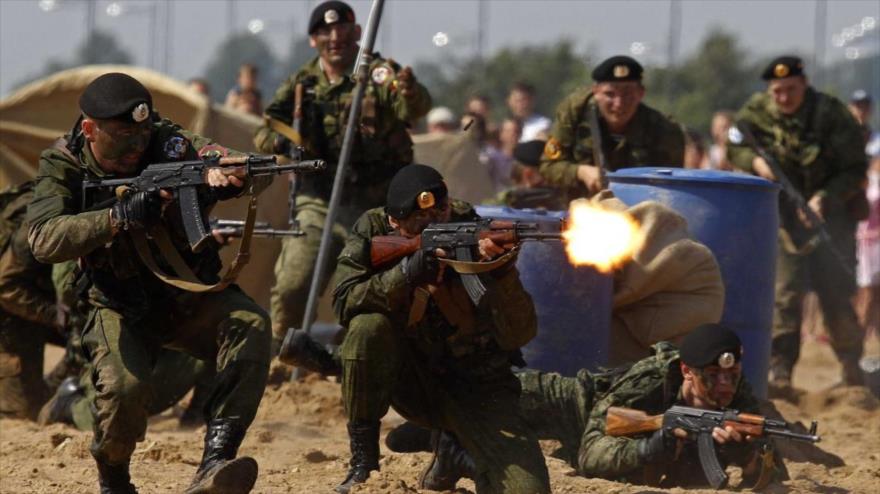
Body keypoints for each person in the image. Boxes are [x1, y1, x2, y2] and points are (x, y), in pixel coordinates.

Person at [26, 72, 271, 494]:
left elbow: (237, 163)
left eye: (142, 134)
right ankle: (115, 477)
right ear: (90, 129)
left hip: (184, 294)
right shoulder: (63, 163)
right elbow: (44, 239)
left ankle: (216, 461)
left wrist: (232, 175)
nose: (137, 146)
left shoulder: (169, 142)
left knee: (251, 324)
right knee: (125, 393)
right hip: (117, 303)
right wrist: (116, 217)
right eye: (124, 136)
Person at [331, 164, 550, 493]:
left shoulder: (472, 226)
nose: (437, 222)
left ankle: (451, 447)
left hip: (477, 387)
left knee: (528, 490)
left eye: (442, 212)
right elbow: (344, 300)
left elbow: (520, 335)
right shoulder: (374, 227)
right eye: (421, 223)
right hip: (410, 378)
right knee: (366, 327)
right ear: (395, 222)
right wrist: (406, 273)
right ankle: (364, 461)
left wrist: (503, 274)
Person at [418, 324, 788, 490]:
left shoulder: (736, 396)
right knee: (473, 404)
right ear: (686, 372)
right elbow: (592, 454)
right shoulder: (651, 382)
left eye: (733, 375)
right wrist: (651, 446)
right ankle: (441, 440)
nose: (724, 385)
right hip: (571, 405)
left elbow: (773, 475)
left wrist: (750, 454)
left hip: (605, 429)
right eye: (712, 376)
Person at [255, 0, 431, 348]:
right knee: (293, 285)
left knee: (372, 292)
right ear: (313, 40)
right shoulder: (302, 83)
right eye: (324, 31)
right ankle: (282, 352)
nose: (334, 37)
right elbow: (265, 131)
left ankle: (359, 358)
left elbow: (413, 107)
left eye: (342, 30)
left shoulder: (377, 74)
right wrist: (290, 139)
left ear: (357, 33)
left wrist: (409, 92)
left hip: (374, 208)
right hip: (319, 202)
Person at [727, 56, 868, 388]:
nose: (783, 98)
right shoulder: (756, 112)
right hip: (782, 219)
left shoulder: (831, 114)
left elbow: (855, 168)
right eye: (777, 91)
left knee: (835, 292)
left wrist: (825, 197)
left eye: (790, 90)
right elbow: (735, 145)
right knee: (785, 295)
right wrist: (756, 164)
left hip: (830, 220)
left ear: (804, 84)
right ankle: (780, 372)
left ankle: (851, 369)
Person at [540, 55, 685, 199]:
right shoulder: (574, 113)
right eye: (610, 94)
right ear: (596, 92)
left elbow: (673, 185)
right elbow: (548, 166)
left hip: (636, 210)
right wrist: (580, 172)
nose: (619, 103)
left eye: (627, 94)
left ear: (641, 93)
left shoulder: (664, 130)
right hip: (580, 209)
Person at [0, 181, 65, 420]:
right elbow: (7, 287)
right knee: (22, 411)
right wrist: (55, 316)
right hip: (12, 309)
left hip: (42, 297)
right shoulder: (39, 214)